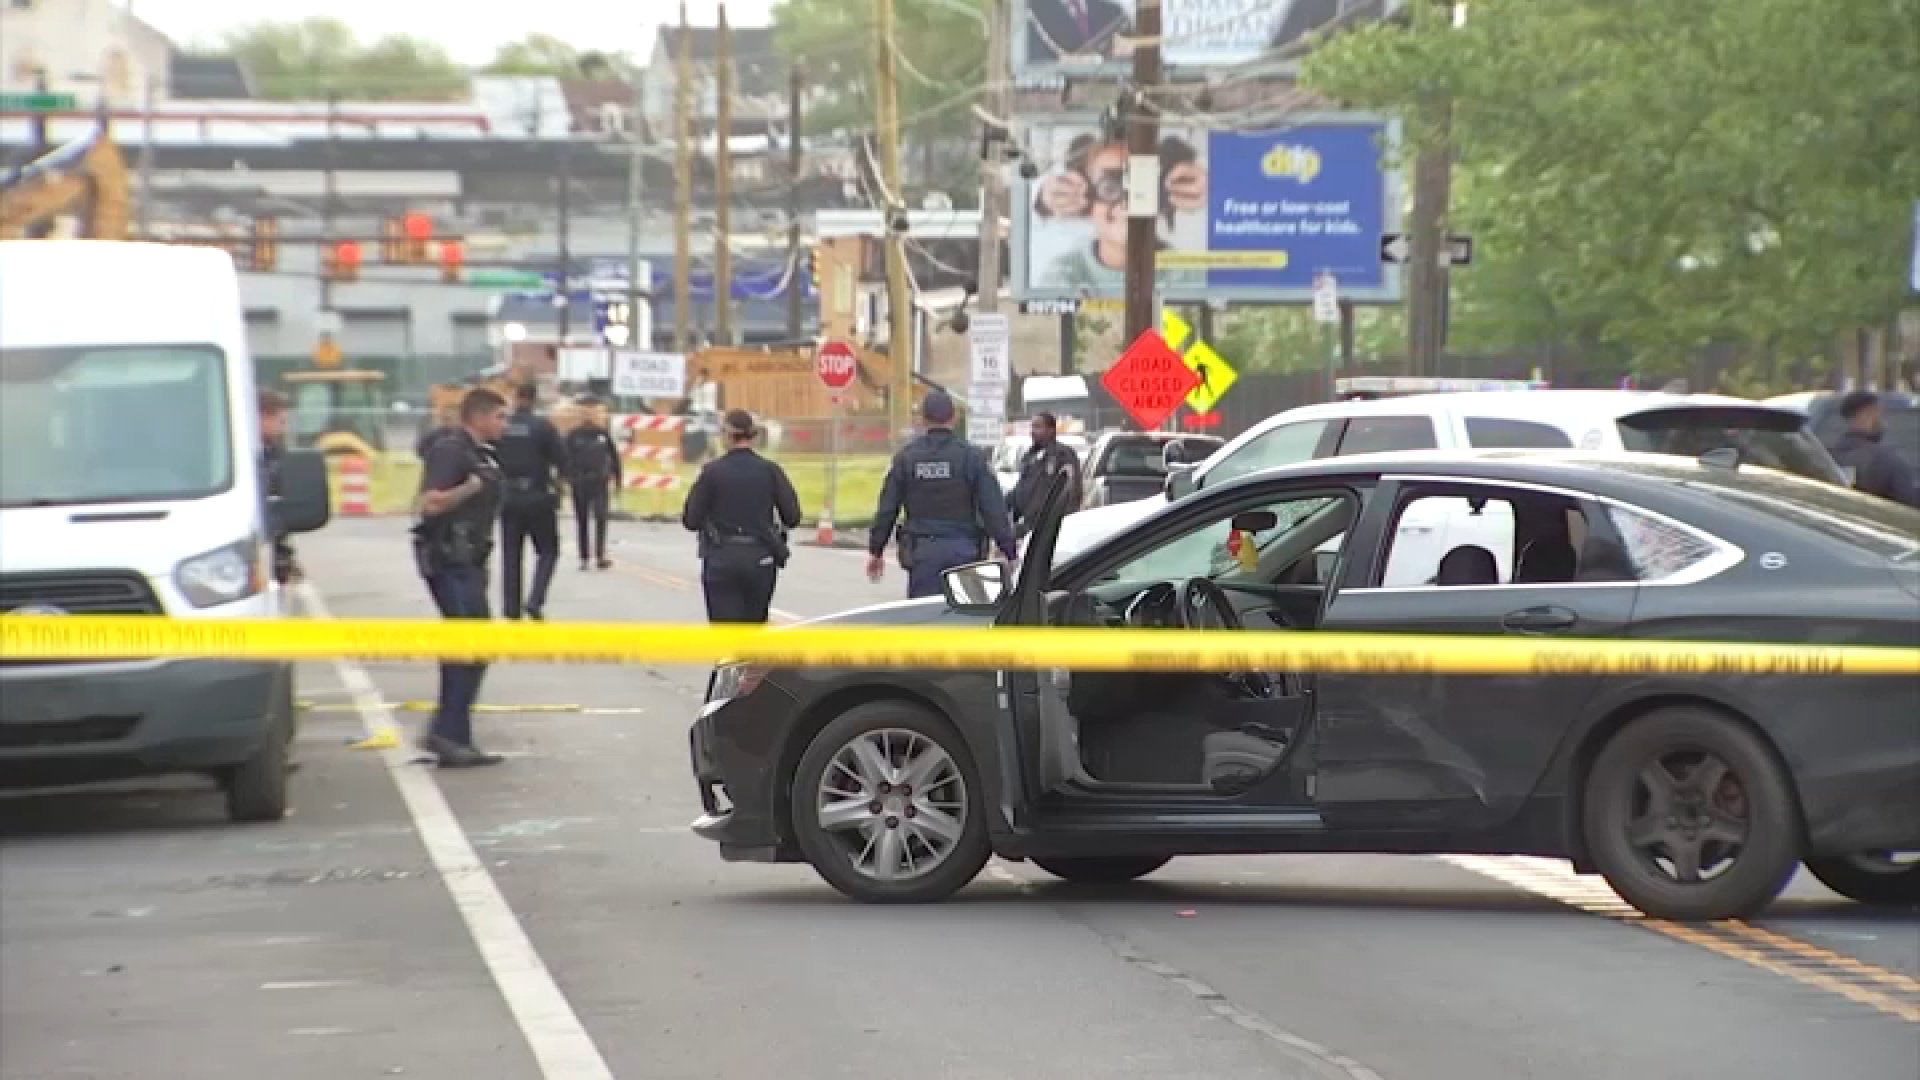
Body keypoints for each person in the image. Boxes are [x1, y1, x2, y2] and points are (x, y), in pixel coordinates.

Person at [412, 388, 511, 768]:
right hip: (450, 559)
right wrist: (469, 488)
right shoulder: (452, 450)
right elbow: (431, 502)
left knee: (474, 646)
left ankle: (450, 730)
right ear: (479, 416)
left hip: (470, 558)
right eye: (500, 417)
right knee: (468, 644)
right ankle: (449, 735)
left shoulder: (481, 452)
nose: (505, 424)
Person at [867, 390, 1019, 598]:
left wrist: (876, 550)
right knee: (963, 617)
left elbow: (887, 508)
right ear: (954, 418)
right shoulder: (971, 458)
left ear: (922, 419)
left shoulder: (906, 458)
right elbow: (993, 508)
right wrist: (1009, 551)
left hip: (922, 552)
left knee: (925, 618)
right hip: (964, 552)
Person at [681, 409, 802, 623]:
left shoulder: (711, 472)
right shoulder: (770, 471)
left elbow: (691, 520)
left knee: (725, 627)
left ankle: (730, 657)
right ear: (753, 435)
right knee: (754, 627)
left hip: (722, 557)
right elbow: (792, 516)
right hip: (760, 557)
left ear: (726, 435)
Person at [494, 382, 567, 619]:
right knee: (548, 551)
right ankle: (535, 600)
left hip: (508, 497)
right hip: (537, 496)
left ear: (515, 397)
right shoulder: (543, 427)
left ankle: (511, 609)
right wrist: (559, 486)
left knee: (511, 555)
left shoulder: (502, 427)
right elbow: (562, 461)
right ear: (535, 399)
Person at [1827, 391, 1919, 507]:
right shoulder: (1887, 461)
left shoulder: (1826, 458)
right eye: (1881, 413)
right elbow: (1910, 504)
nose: (1884, 422)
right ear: (1868, 412)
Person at [564, 397, 624, 570]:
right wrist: (568, 477)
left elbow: (614, 458)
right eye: (585, 411)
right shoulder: (573, 435)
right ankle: (584, 557)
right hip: (580, 482)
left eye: (592, 411)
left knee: (600, 516)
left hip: (600, 482)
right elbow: (564, 459)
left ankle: (600, 555)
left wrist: (617, 478)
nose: (588, 414)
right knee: (582, 520)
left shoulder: (602, 434)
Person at [1009, 411, 1083, 534]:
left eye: (1037, 427)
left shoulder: (1063, 454)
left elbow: (1073, 490)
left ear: (1051, 430)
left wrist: (1064, 520)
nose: (1032, 431)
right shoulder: (1029, 456)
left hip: (1052, 526)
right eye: (1032, 427)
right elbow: (1020, 489)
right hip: (1029, 524)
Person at [258, 389, 302, 585]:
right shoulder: (250, 458)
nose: (283, 429)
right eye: (280, 422)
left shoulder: (273, 451)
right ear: (262, 417)